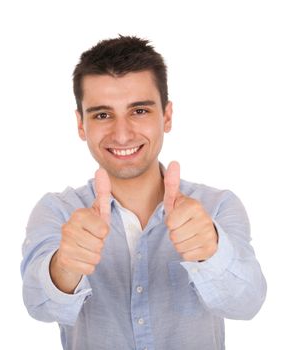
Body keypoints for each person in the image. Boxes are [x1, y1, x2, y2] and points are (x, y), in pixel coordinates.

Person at [21, 35, 267, 350]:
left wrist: (213, 253)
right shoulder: (57, 211)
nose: (122, 134)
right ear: (81, 124)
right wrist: (65, 266)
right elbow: (38, 305)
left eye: (139, 111)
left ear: (166, 116)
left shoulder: (217, 206)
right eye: (102, 114)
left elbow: (247, 305)